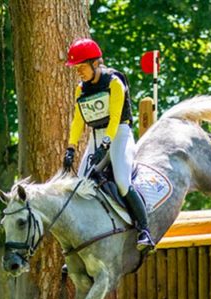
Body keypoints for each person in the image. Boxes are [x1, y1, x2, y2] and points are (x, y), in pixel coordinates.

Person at [64, 38, 154, 252]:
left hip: (119, 133)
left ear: (95, 63)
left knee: (122, 181)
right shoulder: (81, 89)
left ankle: (144, 230)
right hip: (96, 135)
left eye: (82, 67)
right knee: (81, 185)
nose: (79, 72)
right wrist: (71, 148)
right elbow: (78, 121)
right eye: (76, 68)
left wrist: (105, 146)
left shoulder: (114, 82)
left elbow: (114, 119)